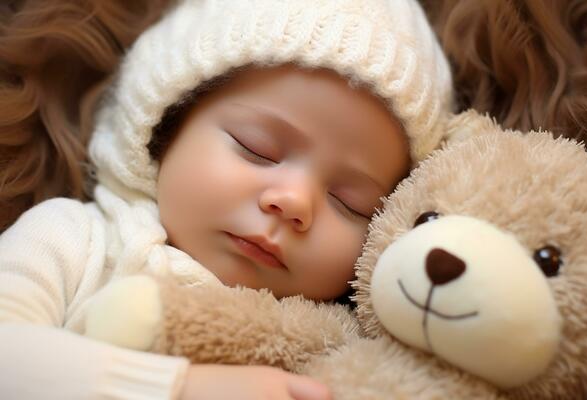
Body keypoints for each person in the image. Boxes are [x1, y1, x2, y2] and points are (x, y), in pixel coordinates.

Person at [0, 0, 454, 399]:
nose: (294, 201)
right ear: (166, 125)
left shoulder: (335, 342)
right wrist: (180, 388)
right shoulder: (72, 241)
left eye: (348, 201)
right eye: (256, 148)